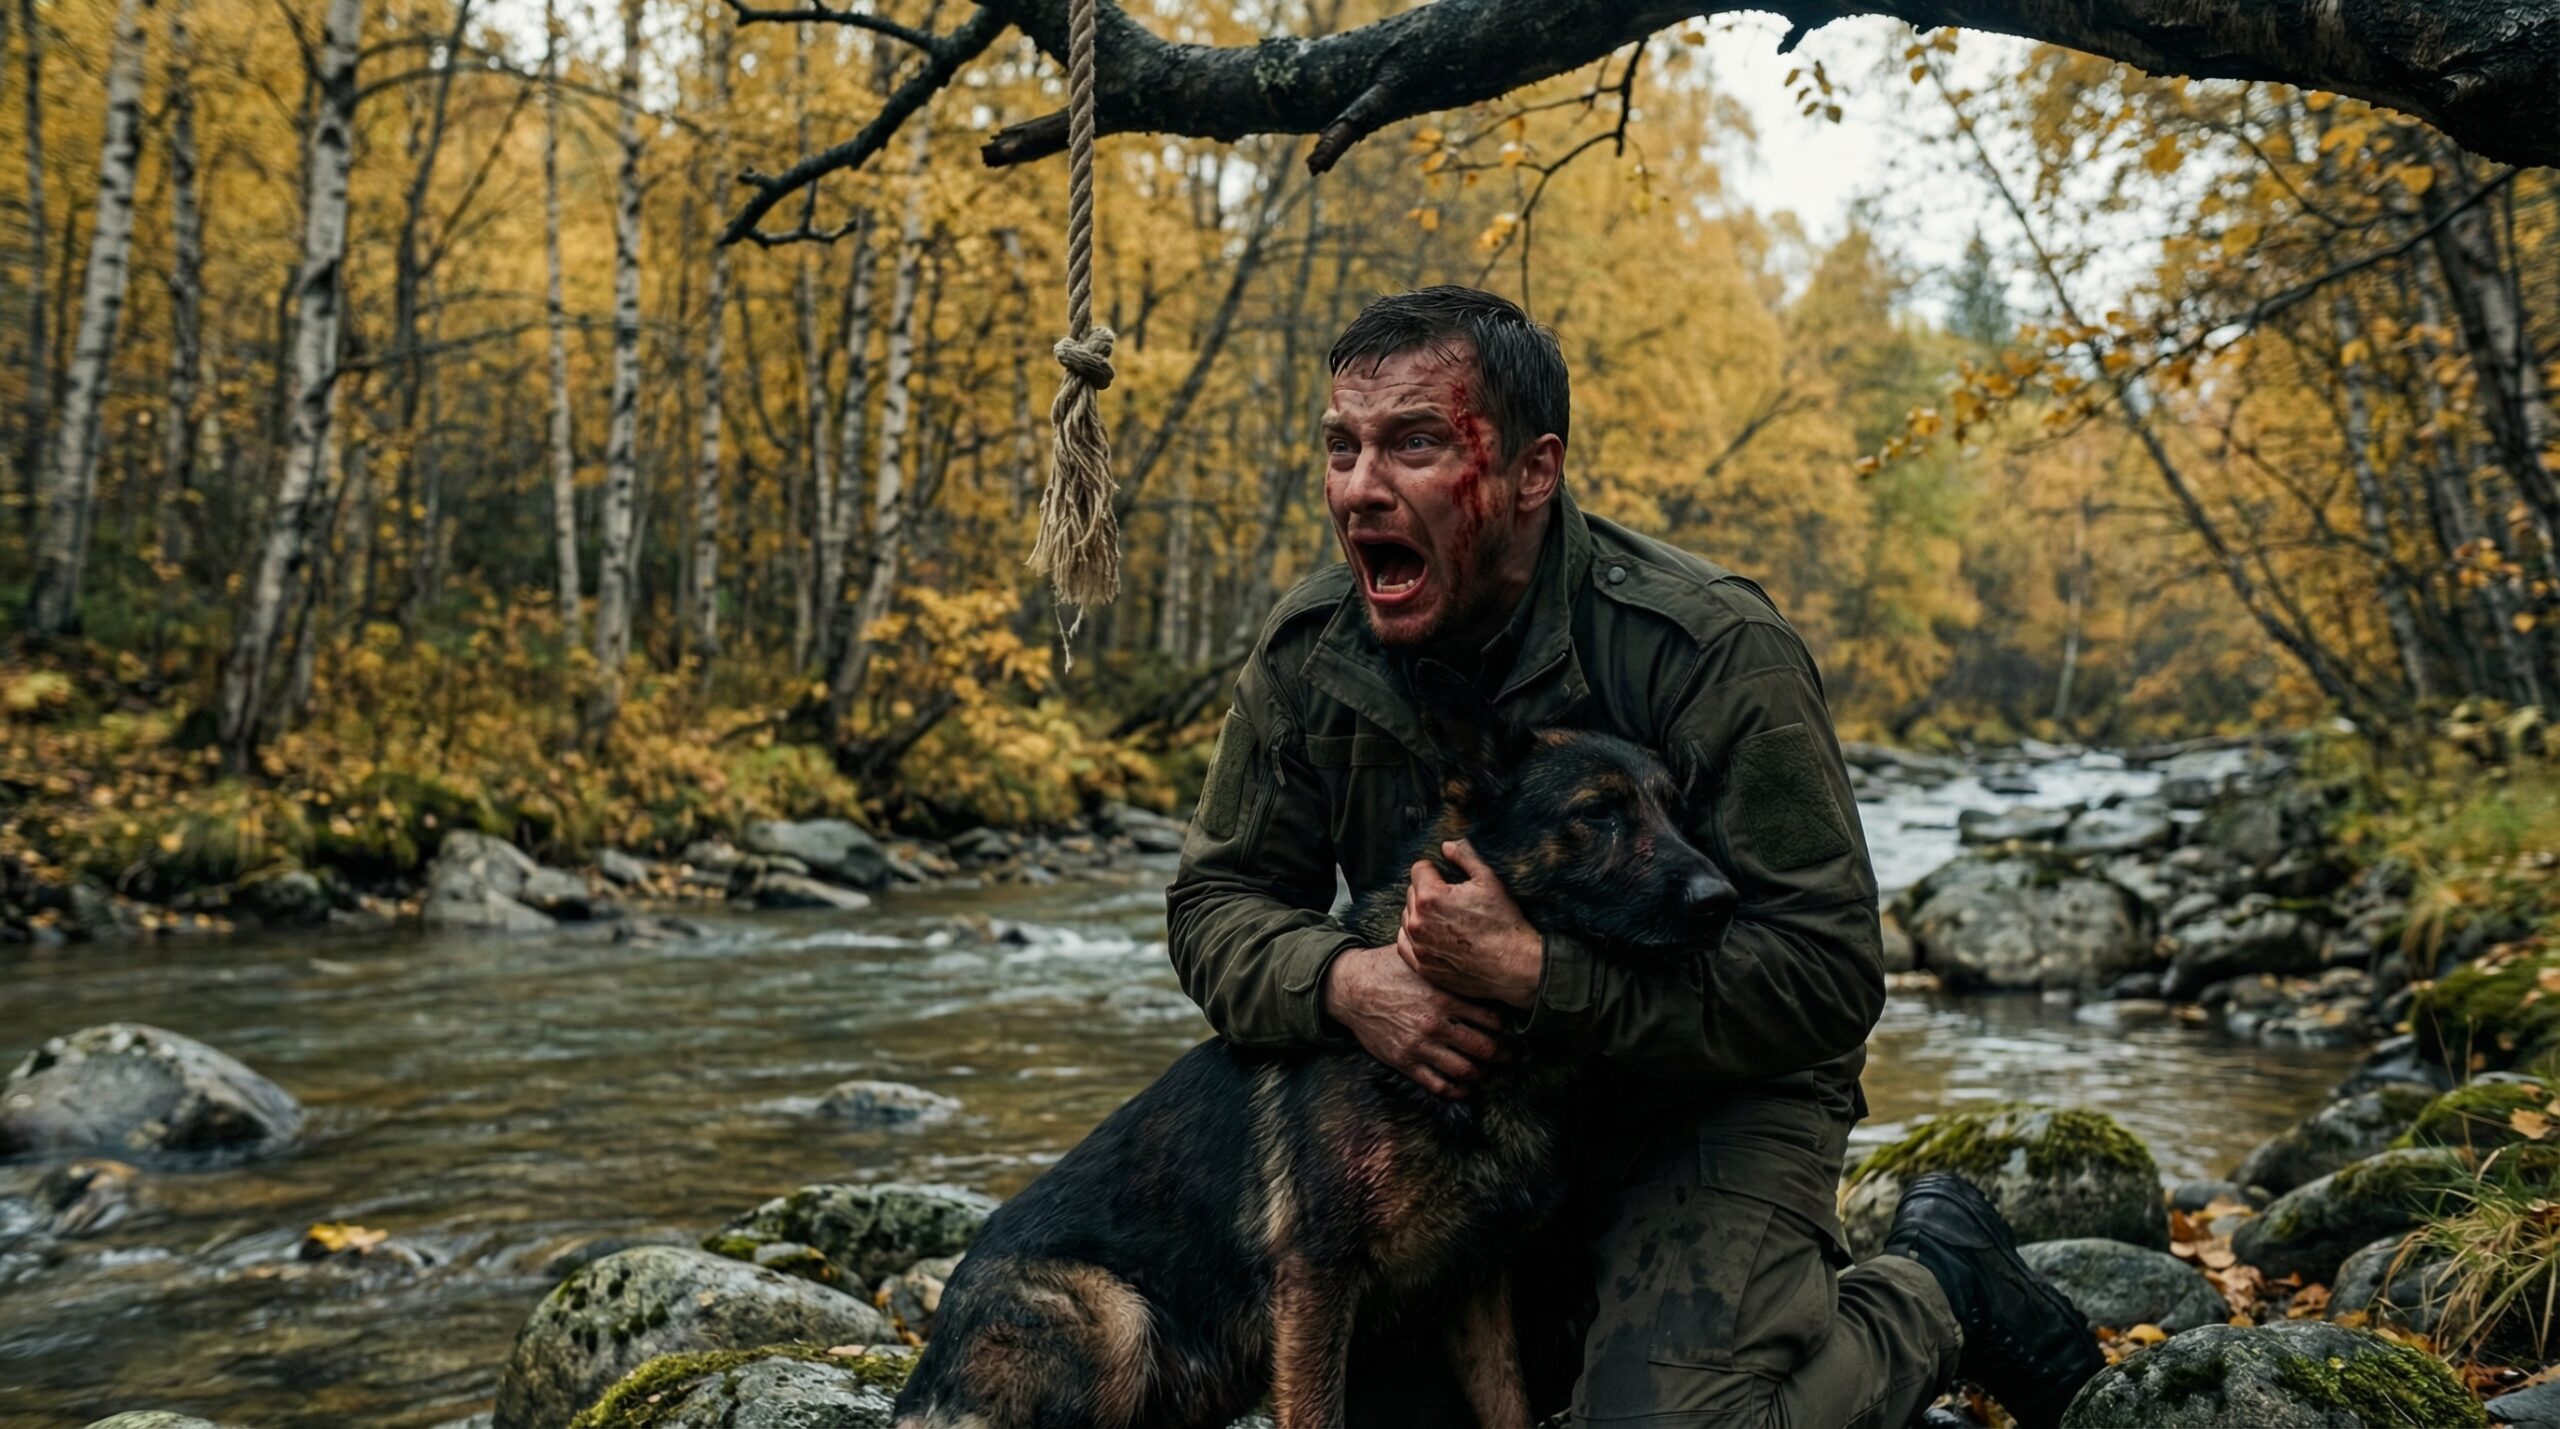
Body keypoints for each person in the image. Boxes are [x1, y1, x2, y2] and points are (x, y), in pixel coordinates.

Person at [1165, 286, 2104, 1427]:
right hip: (1467, 1120)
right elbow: (1216, 901)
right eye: (1340, 447)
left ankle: (1936, 1286)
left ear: (1533, 472)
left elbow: (1827, 976)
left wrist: (1536, 975)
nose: (1360, 486)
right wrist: (1344, 979)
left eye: (1413, 443)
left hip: (1701, 1095)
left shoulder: (1710, 647)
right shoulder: (1313, 651)